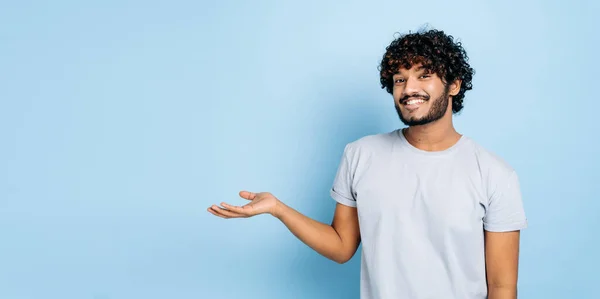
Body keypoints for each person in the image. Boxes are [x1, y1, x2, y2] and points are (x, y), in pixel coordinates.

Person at [208, 28, 527, 299]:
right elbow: (342, 246)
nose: (409, 89)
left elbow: (501, 286)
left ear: (454, 84)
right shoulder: (360, 154)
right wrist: (278, 208)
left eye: (424, 76)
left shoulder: (495, 174)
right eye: (399, 80)